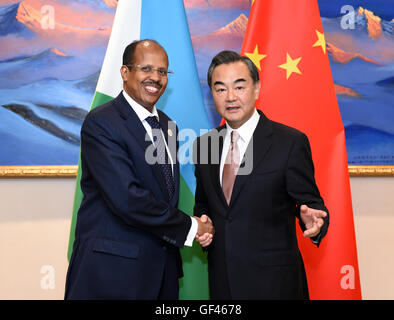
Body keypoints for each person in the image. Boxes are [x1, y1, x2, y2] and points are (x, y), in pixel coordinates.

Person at [64, 39, 213, 300]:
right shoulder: (102, 122)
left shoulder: (168, 127)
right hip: (113, 273)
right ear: (125, 72)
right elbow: (127, 198)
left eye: (162, 71)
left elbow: (162, 195)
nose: (155, 78)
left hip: (161, 272)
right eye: (146, 69)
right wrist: (191, 227)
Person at [193, 50, 329, 300]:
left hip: (275, 285)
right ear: (212, 94)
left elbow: (312, 204)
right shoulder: (204, 145)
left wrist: (314, 222)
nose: (230, 97)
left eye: (239, 87)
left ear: (256, 89)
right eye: (220, 89)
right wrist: (204, 225)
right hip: (223, 283)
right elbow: (203, 203)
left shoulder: (289, 142)